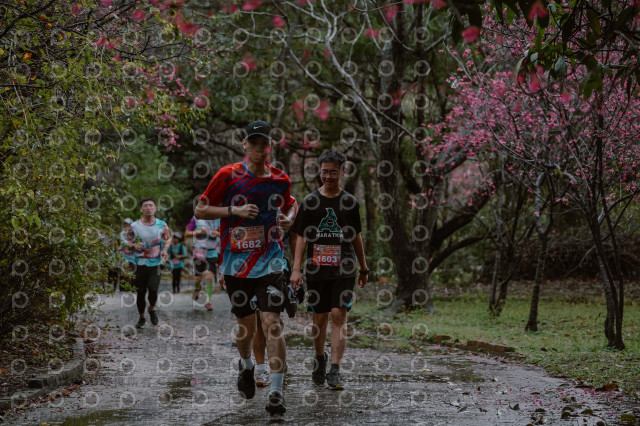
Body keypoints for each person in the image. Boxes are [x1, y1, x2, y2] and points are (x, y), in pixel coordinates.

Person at [194, 120, 296, 416]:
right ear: (244, 145)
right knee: (246, 327)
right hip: (236, 265)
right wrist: (233, 210)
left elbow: (292, 204)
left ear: (270, 146)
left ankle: (276, 392)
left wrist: (288, 219)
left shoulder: (279, 179)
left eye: (264, 143)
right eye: (253, 143)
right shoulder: (228, 175)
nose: (258, 148)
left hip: (271, 261)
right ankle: (247, 365)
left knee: (272, 323)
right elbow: (200, 209)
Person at [290, 150, 369, 390]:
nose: (328, 176)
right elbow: (301, 236)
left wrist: (363, 267)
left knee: (339, 314)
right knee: (320, 317)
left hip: (344, 267)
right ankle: (320, 358)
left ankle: (335, 369)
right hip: (317, 268)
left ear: (342, 172)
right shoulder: (310, 201)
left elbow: (356, 236)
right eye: (324, 172)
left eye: (333, 172)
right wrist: (296, 269)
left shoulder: (349, 202)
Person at [253, 197, 299, 388]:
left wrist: (297, 268)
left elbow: (295, 235)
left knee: (272, 320)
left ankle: (277, 362)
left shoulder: (286, 202)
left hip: (277, 268)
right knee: (258, 321)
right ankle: (260, 367)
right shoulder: (247, 198)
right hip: (249, 268)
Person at [131, 197, 171, 329]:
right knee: (140, 292)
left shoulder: (162, 224)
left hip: (156, 263)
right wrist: (133, 245)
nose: (148, 208)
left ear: (155, 208)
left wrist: (164, 250)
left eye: (151, 205)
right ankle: (141, 317)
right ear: (141, 209)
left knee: (153, 288)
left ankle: (152, 308)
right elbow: (127, 242)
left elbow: (168, 239)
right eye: (145, 206)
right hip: (139, 263)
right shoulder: (134, 226)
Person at [184, 216, 220, 311]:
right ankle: (197, 289)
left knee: (209, 276)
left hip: (212, 252)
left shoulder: (219, 218)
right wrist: (198, 232)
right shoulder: (196, 218)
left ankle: (208, 301)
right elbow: (186, 234)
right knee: (197, 279)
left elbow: (227, 234)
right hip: (199, 252)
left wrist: (217, 234)